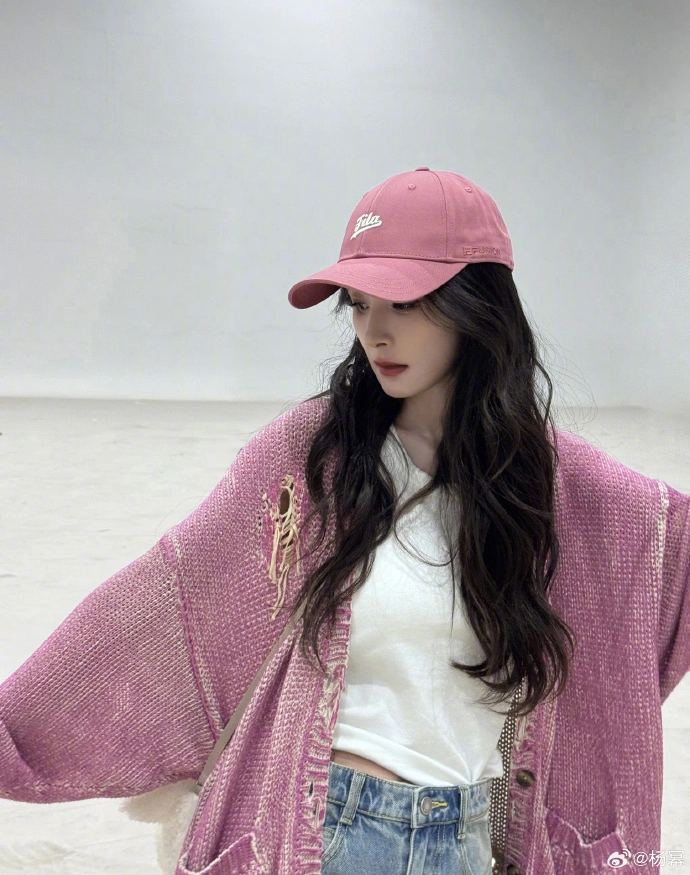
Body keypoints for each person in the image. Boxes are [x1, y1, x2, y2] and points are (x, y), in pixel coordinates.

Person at [0, 168, 688, 875]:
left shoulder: (557, 488)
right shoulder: (309, 461)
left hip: (469, 842)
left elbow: (661, 580)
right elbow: (168, 600)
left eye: (404, 302)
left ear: (478, 304)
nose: (374, 332)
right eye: (358, 304)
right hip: (333, 834)